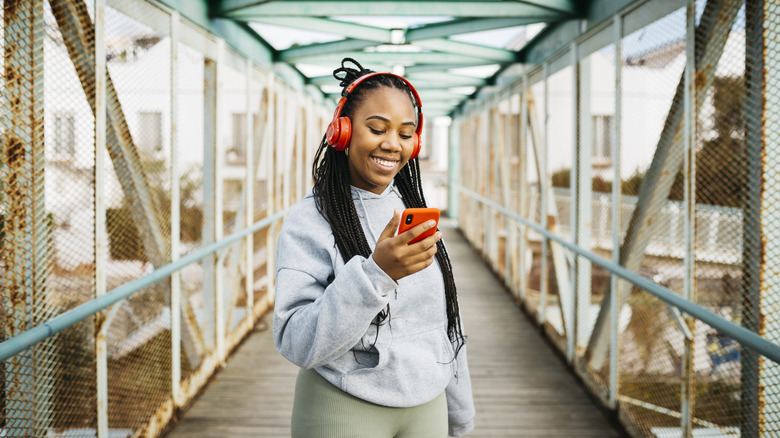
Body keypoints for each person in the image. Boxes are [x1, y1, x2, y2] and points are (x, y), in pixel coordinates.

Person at [273, 58, 475, 438]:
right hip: (341, 406)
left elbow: (443, 323)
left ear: (416, 143)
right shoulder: (310, 219)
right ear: (342, 132)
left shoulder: (413, 209)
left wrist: (460, 413)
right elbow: (295, 339)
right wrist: (375, 275)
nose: (391, 144)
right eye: (377, 129)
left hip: (427, 406)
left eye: (404, 133)